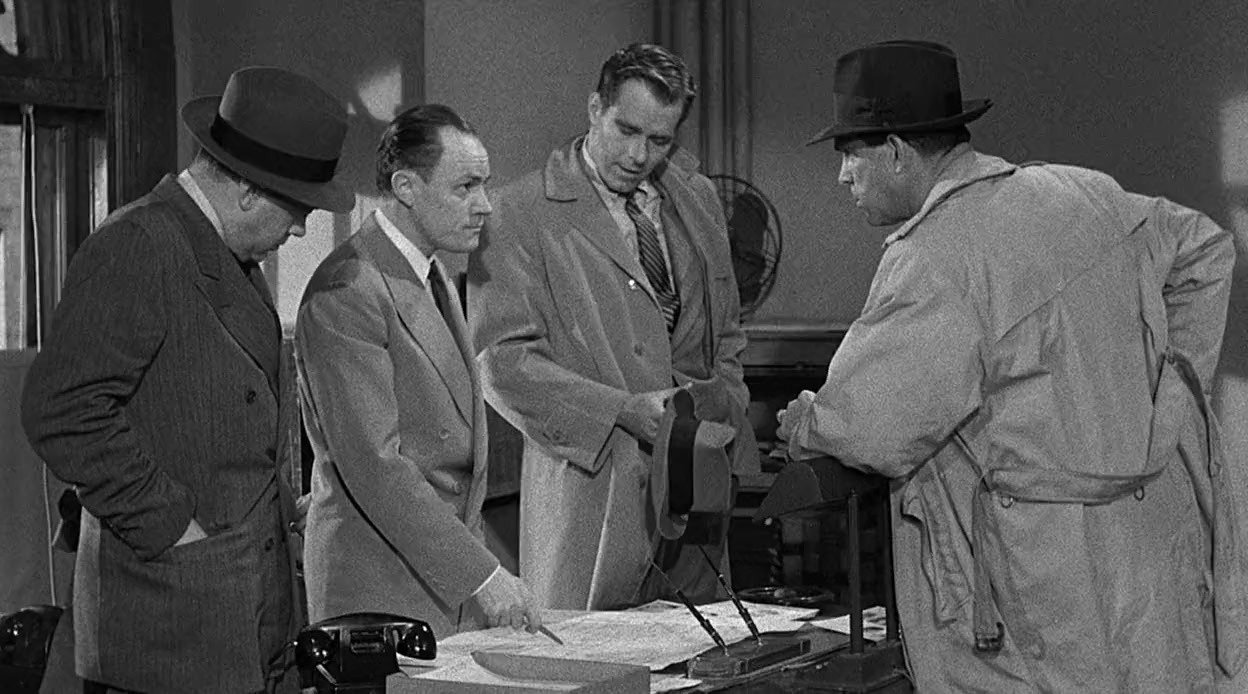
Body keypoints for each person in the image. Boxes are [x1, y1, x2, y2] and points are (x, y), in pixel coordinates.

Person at [776, 40, 1245, 692]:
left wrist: (804, 423)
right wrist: (1162, 420)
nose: (843, 176)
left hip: (1045, 578)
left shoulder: (935, 254)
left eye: (851, 153)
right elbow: (1206, 251)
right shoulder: (1084, 192)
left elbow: (869, 430)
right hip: (1145, 550)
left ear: (896, 151)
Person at [20, 66, 352, 693]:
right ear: (249, 191)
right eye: (299, 209)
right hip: (172, 622)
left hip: (240, 614)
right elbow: (60, 408)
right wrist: (172, 525)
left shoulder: (229, 257)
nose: (301, 230)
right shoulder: (139, 244)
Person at [468, 43, 757, 611]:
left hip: (698, 481)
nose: (639, 155)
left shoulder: (697, 199)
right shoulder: (517, 213)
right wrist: (622, 410)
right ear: (595, 108)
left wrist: (728, 402)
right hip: (593, 490)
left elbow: (726, 332)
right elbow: (502, 365)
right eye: (626, 130)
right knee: (595, 653)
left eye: (659, 140)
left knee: (700, 646)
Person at [294, 104, 540, 637]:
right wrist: (483, 575)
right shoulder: (348, 289)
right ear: (406, 187)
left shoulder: (431, 273)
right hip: (378, 589)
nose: (484, 205)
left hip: (434, 583)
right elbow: (377, 467)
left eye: (484, 185)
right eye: (465, 187)